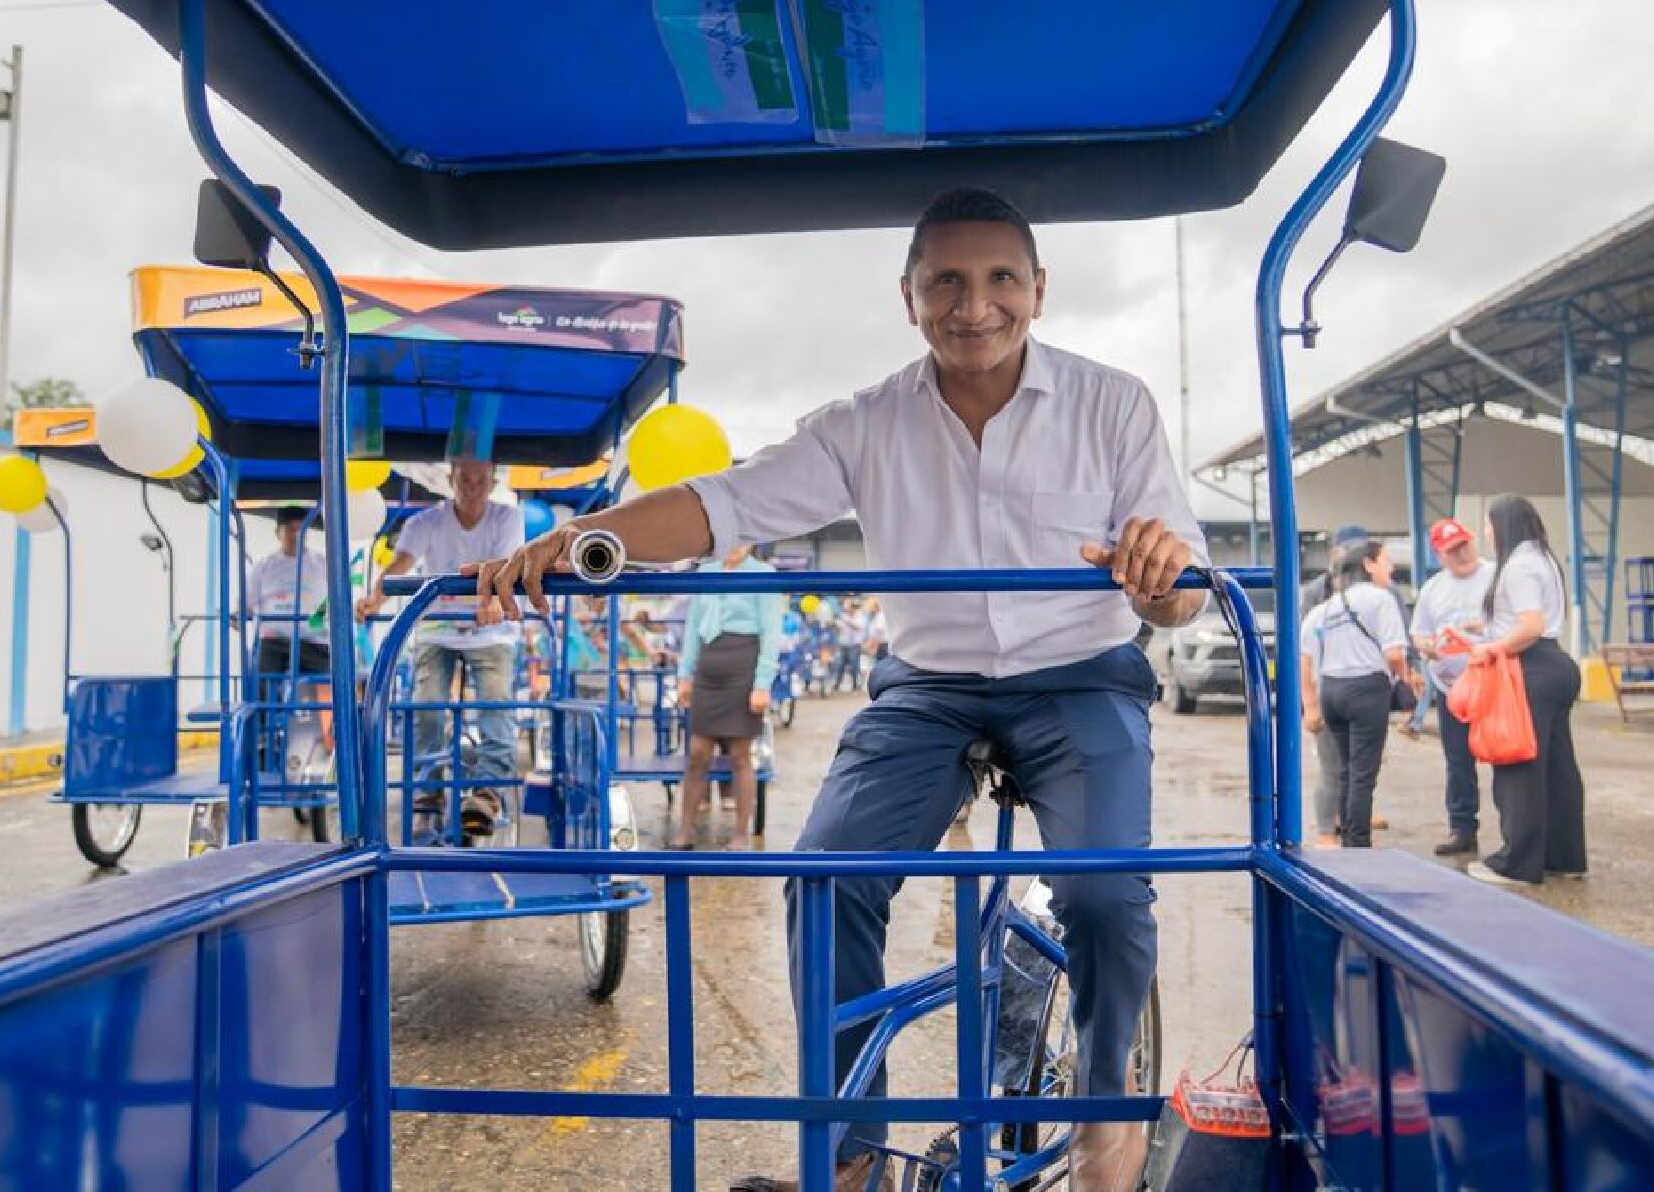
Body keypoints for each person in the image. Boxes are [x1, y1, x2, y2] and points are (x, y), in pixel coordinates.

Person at [469, 187, 1206, 1192]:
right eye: (945, 280)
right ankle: (851, 1154)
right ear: (908, 297)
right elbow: (726, 503)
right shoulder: (864, 424)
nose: (973, 304)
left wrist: (1161, 577)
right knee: (824, 878)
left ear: (1038, 291)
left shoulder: (1114, 403)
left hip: (1079, 679)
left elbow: (1180, 597)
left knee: (1106, 892)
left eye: (998, 280)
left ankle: (1104, 1118)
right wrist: (580, 537)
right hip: (929, 691)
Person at [359, 458, 524, 837]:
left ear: (492, 481)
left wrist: (493, 600)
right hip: (438, 627)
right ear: (451, 480)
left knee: (496, 703)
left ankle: (488, 791)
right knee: (427, 703)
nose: (472, 485)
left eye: (481, 478)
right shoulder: (426, 522)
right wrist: (374, 599)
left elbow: (504, 563)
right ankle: (428, 789)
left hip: (490, 631)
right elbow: (401, 563)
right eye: (465, 478)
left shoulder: (506, 519)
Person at [1465, 494, 1587, 888]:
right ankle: (1564, 857)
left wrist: (1492, 647)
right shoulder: (1545, 559)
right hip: (1556, 665)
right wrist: (1485, 630)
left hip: (1529, 668)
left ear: (1504, 524)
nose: (1486, 531)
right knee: (1557, 769)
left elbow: (1531, 624)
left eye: (1488, 523)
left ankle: (1517, 863)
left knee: (1518, 766)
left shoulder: (1517, 566)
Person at [1299, 540, 1416, 848]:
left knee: (1345, 771)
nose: (1391, 568)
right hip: (1366, 689)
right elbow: (1393, 654)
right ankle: (1358, 845)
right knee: (1363, 772)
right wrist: (1408, 678)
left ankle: (1348, 837)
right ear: (1367, 564)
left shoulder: (1326, 608)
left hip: (1332, 691)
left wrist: (1310, 705)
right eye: (1385, 561)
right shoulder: (1381, 599)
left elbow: (1305, 656)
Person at [671, 546, 781, 850]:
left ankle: (740, 834)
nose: (735, 547)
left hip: (744, 665)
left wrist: (762, 684)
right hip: (708, 666)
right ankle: (685, 830)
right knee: (697, 753)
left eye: (742, 540)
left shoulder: (763, 574)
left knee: (740, 756)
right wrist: (684, 675)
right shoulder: (706, 571)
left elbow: (771, 633)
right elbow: (693, 627)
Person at [1410, 519, 1496, 857]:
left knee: (1505, 755)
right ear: (1440, 556)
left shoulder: (1495, 576)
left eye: (1464, 545)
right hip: (1451, 689)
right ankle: (1462, 828)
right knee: (1458, 761)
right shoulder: (1433, 589)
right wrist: (1426, 646)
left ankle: (1515, 830)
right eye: (1452, 550)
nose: (1461, 554)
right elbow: (1419, 633)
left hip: (1492, 684)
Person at [246, 507, 333, 747]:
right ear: (278, 533)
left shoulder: (323, 564)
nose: (296, 534)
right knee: (261, 681)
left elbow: (337, 600)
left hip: (313, 640)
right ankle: (263, 740)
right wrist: (238, 616)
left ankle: (328, 740)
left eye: (300, 529)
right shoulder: (264, 567)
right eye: (290, 529)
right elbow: (246, 605)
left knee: (329, 684)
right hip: (274, 640)